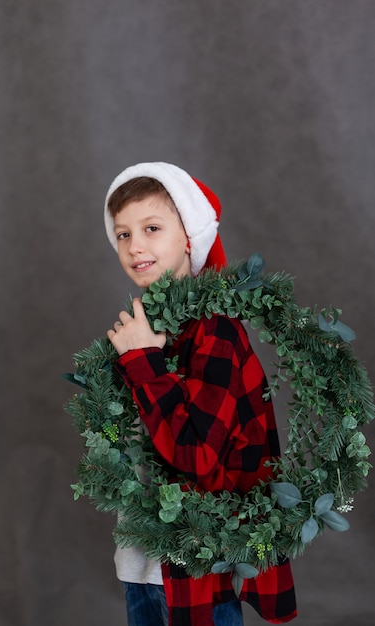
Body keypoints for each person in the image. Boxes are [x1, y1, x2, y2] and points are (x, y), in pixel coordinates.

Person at [104, 162, 297, 626]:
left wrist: (143, 364)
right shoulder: (149, 327)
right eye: (123, 234)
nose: (135, 246)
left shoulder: (214, 332)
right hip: (144, 562)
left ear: (189, 236)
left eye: (151, 228)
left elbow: (197, 455)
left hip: (195, 565)